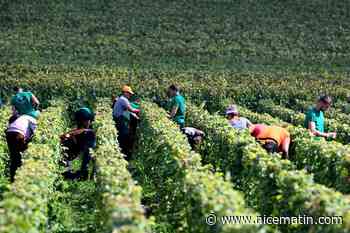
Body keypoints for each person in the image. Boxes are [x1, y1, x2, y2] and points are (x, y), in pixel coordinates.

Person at [60, 107, 96, 180]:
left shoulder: (84, 131)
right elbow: (65, 135)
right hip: (68, 155)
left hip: (70, 155)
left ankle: (82, 172)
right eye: (88, 120)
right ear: (84, 121)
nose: (89, 122)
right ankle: (82, 172)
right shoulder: (83, 132)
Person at [5, 114, 38, 182]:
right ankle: (20, 179)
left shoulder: (21, 119)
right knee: (22, 156)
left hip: (9, 132)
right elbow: (35, 134)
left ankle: (12, 179)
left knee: (13, 156)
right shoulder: (33, 120)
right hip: (20, 133)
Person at [112, 85, 140, 158]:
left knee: (123, 134)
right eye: (129, 93)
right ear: (125, 92)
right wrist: (141, 110)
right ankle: (123, 153)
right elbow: (131, 109)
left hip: (118, 119)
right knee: (124, 135)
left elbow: (129, 109)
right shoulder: (123, 99)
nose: (130, 95)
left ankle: (122, 151)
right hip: (119, 119)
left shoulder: (121, 99)